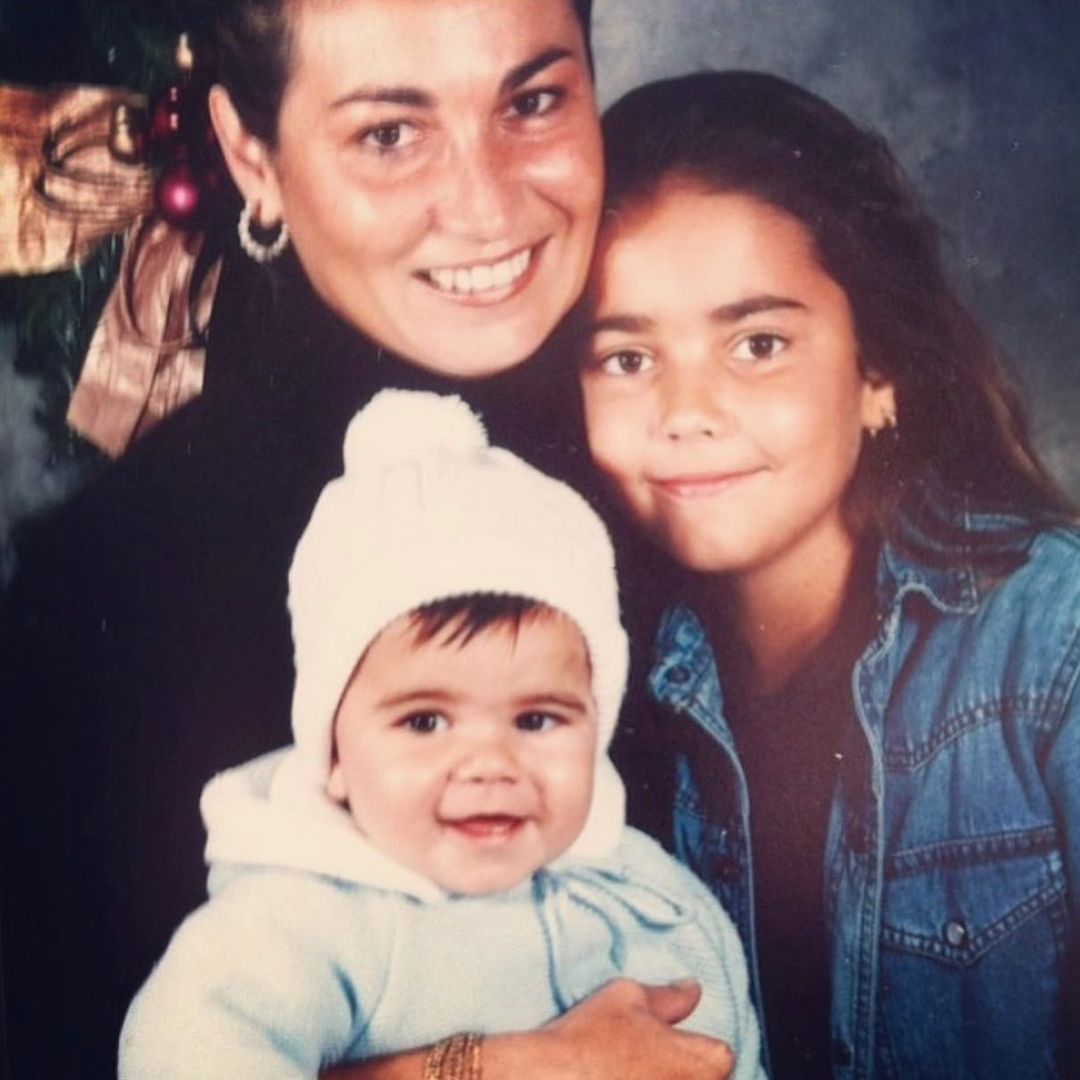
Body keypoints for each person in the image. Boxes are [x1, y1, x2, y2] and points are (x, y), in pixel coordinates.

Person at [2, 3, 715, 1077]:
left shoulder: (700, 456)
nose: (486, 206)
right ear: (254, 154)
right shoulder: (108, 590)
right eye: (390, 134)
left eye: (532, 101)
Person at [579, 71, 1080, 1078]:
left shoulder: (1051, 645)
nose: (685, 411)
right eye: (627, 359)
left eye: (757, 344)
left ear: (880, 373)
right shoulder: (572, 678)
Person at [116, 389, 764, 1079]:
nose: (489, 764)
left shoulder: (654, 900)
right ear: (331, 753)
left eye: (537, 719)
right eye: (425, 722)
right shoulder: (305, 920)